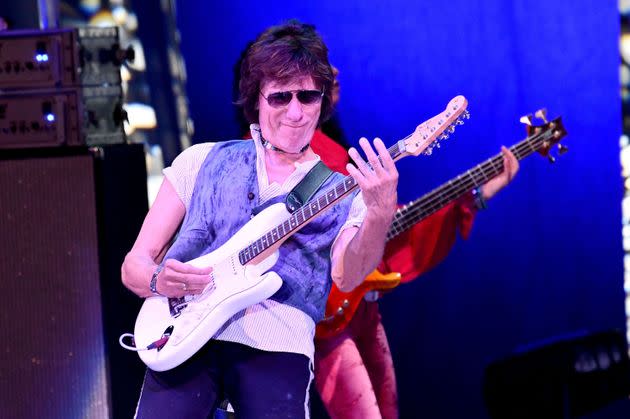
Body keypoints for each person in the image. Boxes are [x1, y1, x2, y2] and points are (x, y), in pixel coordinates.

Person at [121, 20, 398, 419]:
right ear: (256, 98)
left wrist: (380, 214)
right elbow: (134, 265)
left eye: (307, 97)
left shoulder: (341, 189)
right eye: (280, 97)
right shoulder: (200, 161)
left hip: (278, 341)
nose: (296, 112)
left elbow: (348, 275)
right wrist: (155, 279)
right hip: (181, 333)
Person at [310, 79, 519, 418]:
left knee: (388, 410)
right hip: (326, 312)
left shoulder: (334, 146)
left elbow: (386, 225)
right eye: (321, 66)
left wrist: (479, 195)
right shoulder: (271, 154)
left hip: (360, 304)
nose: (334, 75)